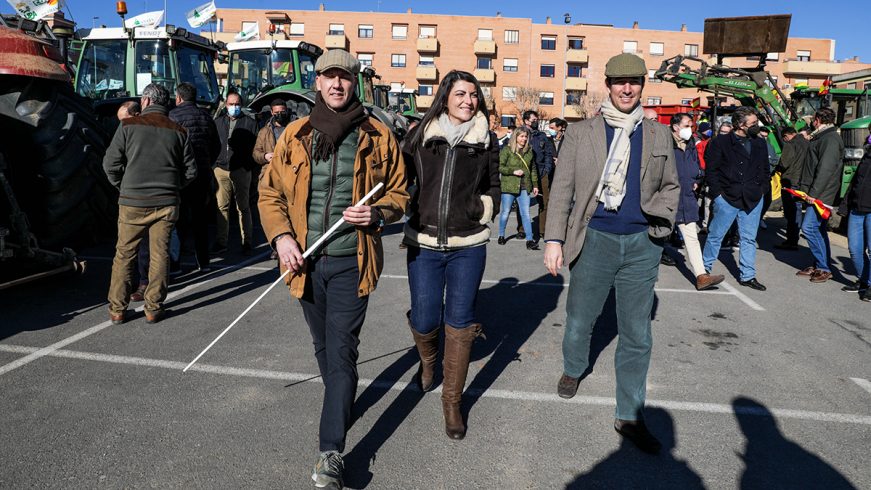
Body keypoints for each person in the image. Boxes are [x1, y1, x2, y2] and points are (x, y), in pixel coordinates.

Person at [258, 49, 409, 489]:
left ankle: (330, 452)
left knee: (342, 350)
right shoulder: (295, 134)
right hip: (304, 262)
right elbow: (271, 195)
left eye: (344, 77)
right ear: (318, 83)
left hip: (351, 261)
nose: (337, 85)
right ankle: (339, 401)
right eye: (329, 77)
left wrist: (377, 214)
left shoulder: (378, 135)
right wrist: (283, 239)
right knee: (322, 346)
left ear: (354, 83)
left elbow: (399, 193)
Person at [544, 53, 680, 454]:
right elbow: (563, 189)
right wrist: (554, 239)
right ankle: (573, 368)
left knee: (637, 333)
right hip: (595, 238)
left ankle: (630, 414)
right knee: (580, 319)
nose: (626, 89)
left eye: (634, 82)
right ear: (608, 85)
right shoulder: (581, 132)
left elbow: (672, 185)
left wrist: (661, 221)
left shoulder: (658, 135)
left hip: (642, 245)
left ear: (642, 85)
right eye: (619, 82)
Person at [402, 70, 500, 440]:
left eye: (473, 95)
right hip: (423, 243)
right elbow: (399, 177)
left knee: (461, 322)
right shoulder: (420, 137)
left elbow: (494, 183)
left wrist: (483, 208)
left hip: (468, 245)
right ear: (445, 97)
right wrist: (408, 201)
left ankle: (452, 401)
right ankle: (429, 363)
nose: (468, 101)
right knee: (426, 318)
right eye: (460, 94)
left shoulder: (485, 139)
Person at [102, 83, 197, 325]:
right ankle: (153, 307)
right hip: (166, 203)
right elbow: (190, 171)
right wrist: (173, 187)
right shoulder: (179, 131)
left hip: (132, 201)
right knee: (160, 255)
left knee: (124, 254)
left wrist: (123, 187)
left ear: (144, 101)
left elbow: (110, 164)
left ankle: (117, 309)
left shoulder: (127, 126)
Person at [701, 106, 769, 291]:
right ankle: (703, 271)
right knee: (716, 235)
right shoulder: (720, 142)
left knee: (748, 239)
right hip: (727, 197)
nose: (757, 126)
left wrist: (762, 189)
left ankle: (748, 276)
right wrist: (718, 195)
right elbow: (712, 171)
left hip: (753, 198)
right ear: (740, 124)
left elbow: (764, 169)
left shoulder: (759, 142)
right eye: (753, 123)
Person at [169, 82, 221, 272]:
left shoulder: (173, 116)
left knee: (179, 221)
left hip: (181, 176)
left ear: (179, 98)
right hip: (202, 175)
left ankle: (175, 263)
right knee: (200, 220)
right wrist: (207, 162)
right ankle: (204, 262)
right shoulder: (206, 117)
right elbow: (216, 145)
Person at [670, 113, 724, 290]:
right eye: (687, 125)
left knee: (691, 237)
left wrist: (697, 179)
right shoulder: (665, 143)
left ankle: (701, 276)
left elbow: (695, 165)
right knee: (654, 237)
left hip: (687, 198)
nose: (690, 129)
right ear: (676, 127)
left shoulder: (691, 143)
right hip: (667, 198)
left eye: (691, 125)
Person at [795, 107, 844, 283]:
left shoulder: (830, 139)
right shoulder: (823, 136)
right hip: (817, 191)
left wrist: (814, 194)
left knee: (808, 228)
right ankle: (818, 264)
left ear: (817, 120)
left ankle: (823, 267)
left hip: (822, 193)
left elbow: (826, 169)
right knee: (819, 229)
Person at [214, 91, 257, 255]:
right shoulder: (218, 122)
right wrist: (215, 164)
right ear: (226, 105)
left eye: (237, 104)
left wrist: (248, 166)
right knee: (221, 207)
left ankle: (247, 241)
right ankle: (221, 241)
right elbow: (213, 143)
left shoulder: (250, 123)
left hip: (241, 170)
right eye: (231, 104)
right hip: (221, 169)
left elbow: (255, 146)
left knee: (243, 207)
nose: (234, 107)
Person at [839, 127, 871, 299]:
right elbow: (855, 182)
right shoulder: (867, 155)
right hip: (857, 209)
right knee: (855, 248)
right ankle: (863, 279)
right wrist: (845, 204)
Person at [497, 127, 539, 249]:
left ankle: (530, 240)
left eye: (526, 136)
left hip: (525, 187)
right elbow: (500, 167)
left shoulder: (529, 151)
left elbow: (533, 169)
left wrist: (535, 185)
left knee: (525, 214)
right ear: (516, 137)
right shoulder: (507, 150)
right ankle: (501, 235)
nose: (524, 139)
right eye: (521, 136)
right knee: (505, 212)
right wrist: (513, 171)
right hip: (509, 186)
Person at [515, 110, 554, 241]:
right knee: (522, 203)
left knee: (544, 202)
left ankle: (543, 230)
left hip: (541, 172)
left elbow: (548, 153)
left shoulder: (542, 136)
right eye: (534, 120)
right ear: (526, 121)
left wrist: (547, 168)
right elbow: (510, 151)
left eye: (537, 120)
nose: (536, 122)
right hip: (524, 174)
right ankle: (521, 229)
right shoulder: (519, 134)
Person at [773, 127, 810, 250]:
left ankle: (791, 240)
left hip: (791, 181)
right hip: (803, 181)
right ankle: (794, 238)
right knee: (798, 209)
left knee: (791, 212)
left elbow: (784, 163)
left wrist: (776, 169)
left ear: (786, 136)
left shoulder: (790, 144)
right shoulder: (807, 143)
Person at [253, 98, 292, 177]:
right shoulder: (264, 132)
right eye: (276, 112)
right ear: (271, 112)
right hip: (270, 172)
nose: (279, 115)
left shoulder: (293, 129)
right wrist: (264, 156)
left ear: (286, 111)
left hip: (289, 171)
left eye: (282, 112)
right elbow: (255, 153)